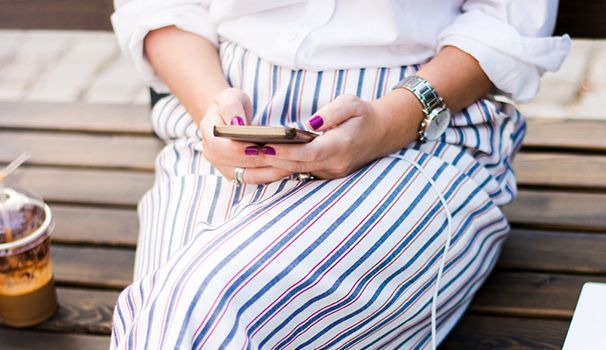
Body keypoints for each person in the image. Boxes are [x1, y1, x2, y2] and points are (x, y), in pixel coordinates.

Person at [109, 0, 570, 348]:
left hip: (416, 130)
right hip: (223, 119)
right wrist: (213, 110)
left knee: (193, 307)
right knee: (166, 316)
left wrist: (392, 121)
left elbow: (506, 19)